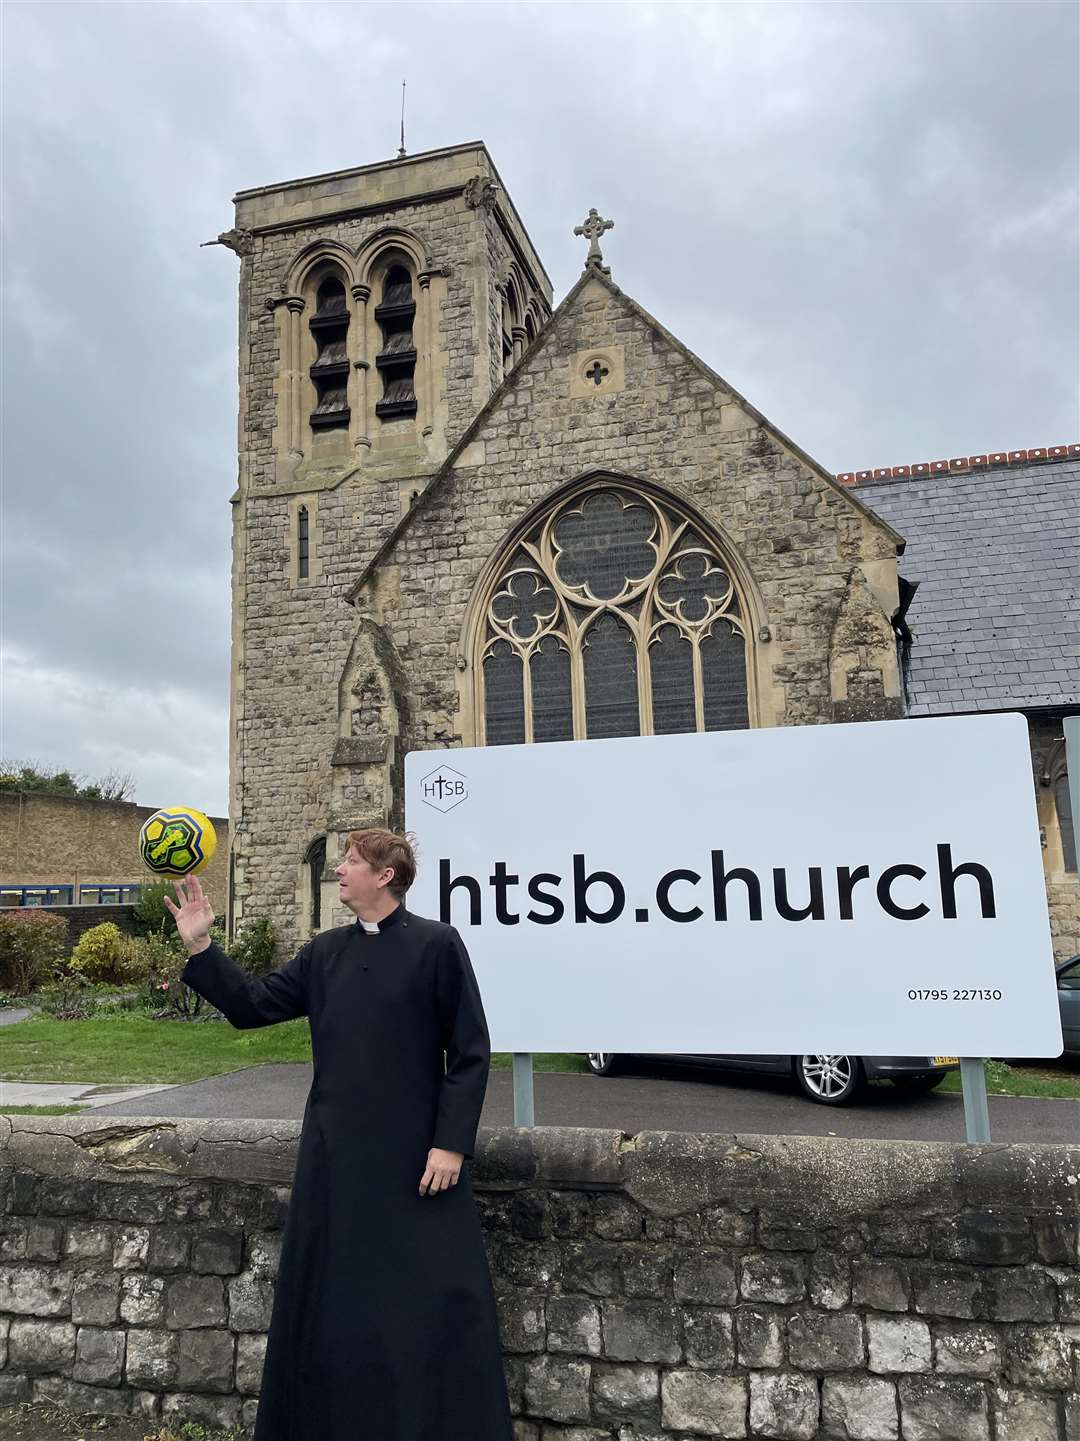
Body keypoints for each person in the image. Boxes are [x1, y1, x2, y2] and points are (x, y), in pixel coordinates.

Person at [165, 829, 513, 1441]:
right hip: (335, 1156)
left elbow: (469, 1052)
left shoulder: (437, 945)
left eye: (352, 861)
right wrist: (202, 949)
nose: (340, 869)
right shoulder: (324, 954)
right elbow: (251, 1006)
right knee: (334, 1302)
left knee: (422, 1301)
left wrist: (451, 1143)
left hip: (417, 1160)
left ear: (386, 877)